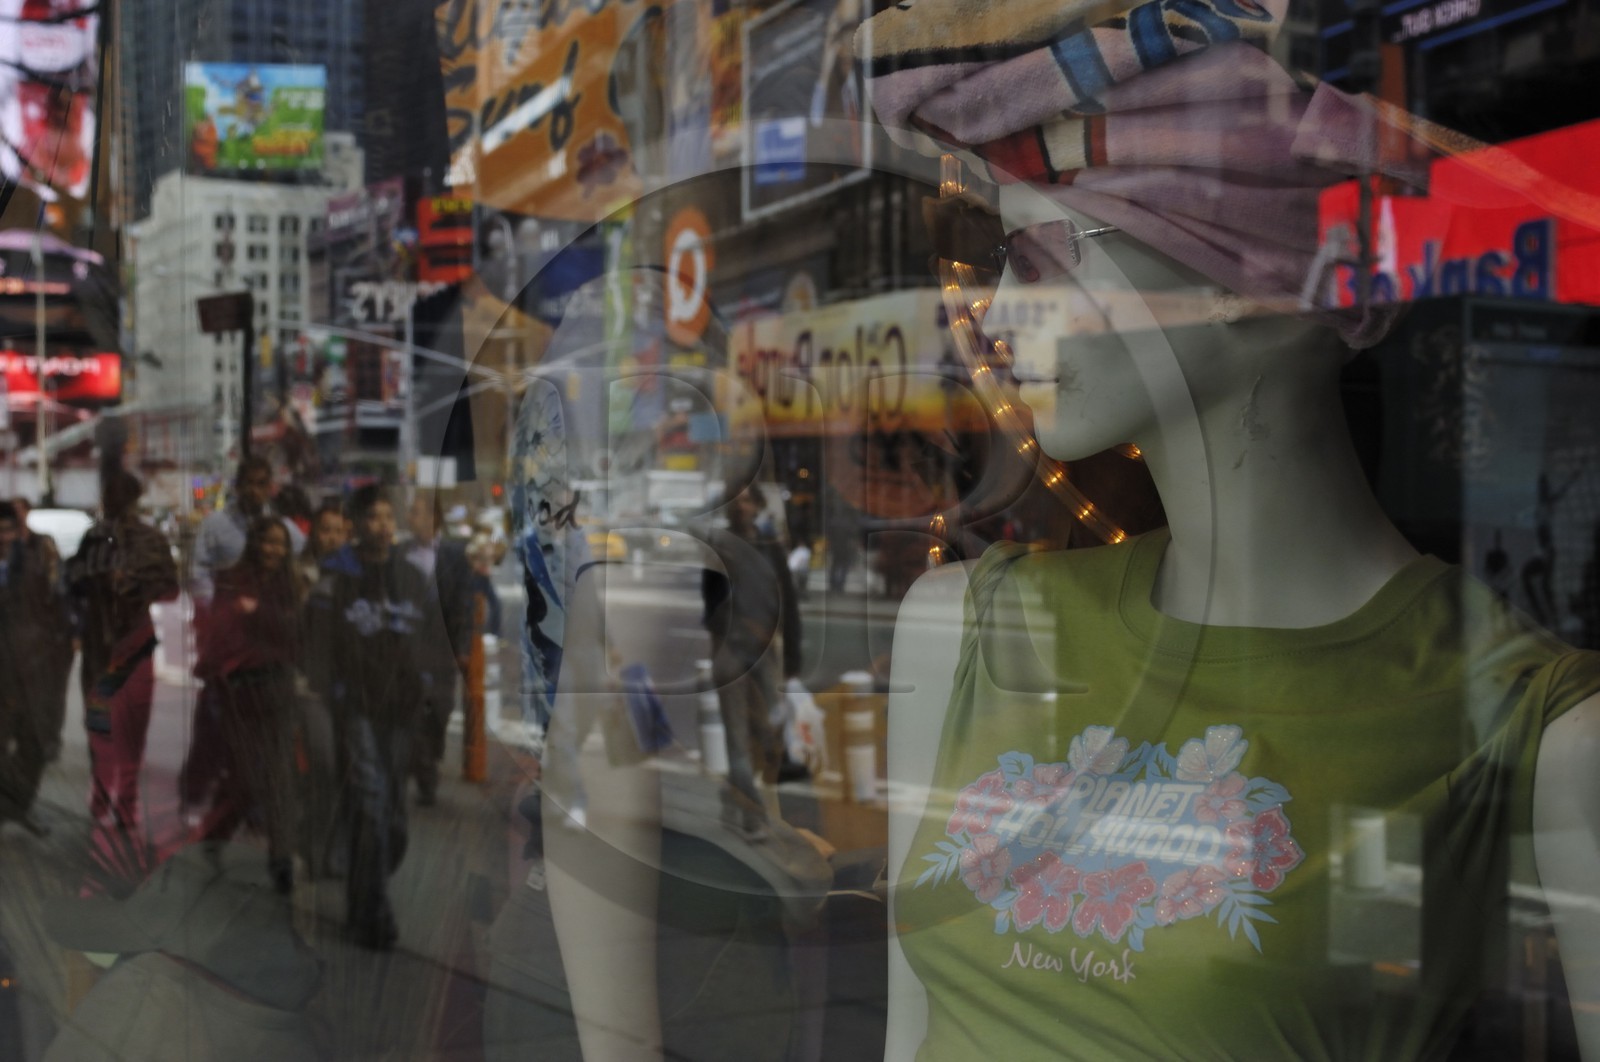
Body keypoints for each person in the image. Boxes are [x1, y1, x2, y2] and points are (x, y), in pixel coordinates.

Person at [854, 12, 1600, 1061]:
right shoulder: (968, 630)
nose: (993, 317)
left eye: (1035, 259)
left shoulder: (1533, 732)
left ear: (1247, 281)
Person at [304, 484, 429, 949]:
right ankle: (374, 914)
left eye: (387, 517)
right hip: (355, 706)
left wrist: (429, 689)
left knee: (393, 816)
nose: (383, 525)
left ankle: (362, 894)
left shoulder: (411, 576)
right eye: (373, 518)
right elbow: (315, 641)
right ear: (356, 525)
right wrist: (333, 690)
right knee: (372, 804)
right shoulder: (336, 576)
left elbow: (431, 637)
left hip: (400, 710)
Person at [182, 455, 305, 818]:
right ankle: (201, 790)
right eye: (249, 483)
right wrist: (217, 610)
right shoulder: (216, 527)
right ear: (238, 486)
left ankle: (254, 803)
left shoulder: (285, 532)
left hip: (268, 643)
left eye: (262, 483)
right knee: (215, 721)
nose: (255, 490)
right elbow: (198, 572)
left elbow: (300, 570)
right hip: (228, 639)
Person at [67, 471, 179, 833]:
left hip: (132, 644)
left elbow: (169, 587)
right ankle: (103, 794)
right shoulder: (94, 539)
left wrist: (131, 586)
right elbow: (73, 583)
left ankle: (125, 801)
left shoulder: (149, 540)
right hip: (102, 645)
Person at [195, 517, 300, 893]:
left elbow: (293, 633)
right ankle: (214, 837)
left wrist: (257, 613)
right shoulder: (233, 580)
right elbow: (221, 630)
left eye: (279, 543)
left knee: (279, 778)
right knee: (245, 777)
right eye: (267, 542)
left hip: (276, 687)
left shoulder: (290, 583)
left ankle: (281, 858)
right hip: (237, 692)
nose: (273, 550)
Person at [700, 480, 803, 838]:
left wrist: (791, 657)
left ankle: (747, 800)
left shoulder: (770, 544)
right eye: (735, 501)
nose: (740, 507)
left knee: (770, 733)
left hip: (763, 649)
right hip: (730, 649)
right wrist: (730, 629)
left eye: (746, 501)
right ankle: (753, 815)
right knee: (736, 738)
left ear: (757, 506)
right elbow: (709, 603)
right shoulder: (720, 545)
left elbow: (787, 600)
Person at [0, 501, 71, 836]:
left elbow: (56, 606)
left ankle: (16, 806)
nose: (3, 538)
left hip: (30, 669)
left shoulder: (34, 563)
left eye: (8, 530)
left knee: (36, 743)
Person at [402, 492, 473, 807]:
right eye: (417, 514)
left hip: (443, 648)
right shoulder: (398, 555)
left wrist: (464, 646)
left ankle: (431, 754)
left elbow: (465, 602)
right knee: (413, 708)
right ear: (409, 518)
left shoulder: (455, 555)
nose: (424, 521)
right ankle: (424, 772)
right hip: (410, 648)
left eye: (429, 515)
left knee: (440, 710)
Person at [11, 495, 74, 763]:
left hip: (44, 633)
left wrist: (68, 630)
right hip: (13, 633)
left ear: (27, 513)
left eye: (18, 511)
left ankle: (48, 740)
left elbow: (59, 587)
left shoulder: (43, 545)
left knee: (49, 691)